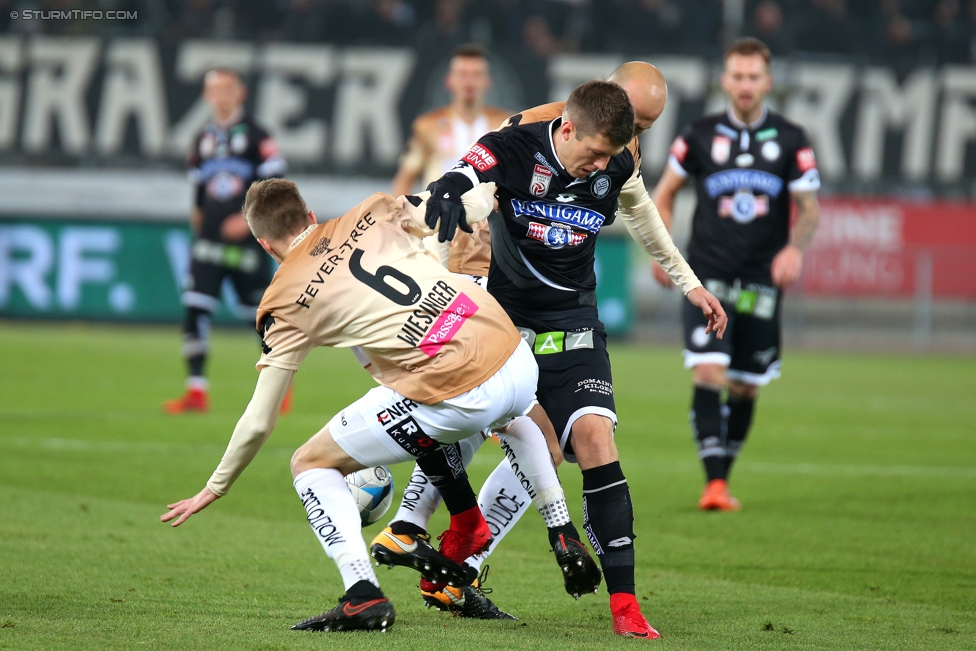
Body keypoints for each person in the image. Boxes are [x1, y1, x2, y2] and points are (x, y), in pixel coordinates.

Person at [161, 178, 599, 633]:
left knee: (310, 462)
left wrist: (215, 487)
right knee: (480, 409)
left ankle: (362, 594)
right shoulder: (373, 211)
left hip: (458, 390)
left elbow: (258, 421)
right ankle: (558, 526)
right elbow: (467, 204)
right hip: (514, 356)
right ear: (311, 216)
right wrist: (491, 187)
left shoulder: (283, 300)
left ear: (263, 243)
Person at [378, 62, 712, 625]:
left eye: (645, 128)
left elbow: (641, 211)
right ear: (585, 113)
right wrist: (449, 226)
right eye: (636, 123)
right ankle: (414, 525)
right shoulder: (525, 133)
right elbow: (472, 183)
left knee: (570, 441)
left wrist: (690, 282)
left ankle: (473, 561)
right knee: (501, 425)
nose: (636, 138)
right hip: (489, 296)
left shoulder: (616, 159)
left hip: (572, 321)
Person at [651, 38, 820, 511]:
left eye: (753, 77)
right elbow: (663, 195)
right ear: (724, 80)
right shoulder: (699, 135)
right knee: (709, 370)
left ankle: (721, 478)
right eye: (737, 76)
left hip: (762, 281)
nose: (745, 85)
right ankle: (715, 484)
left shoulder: (791, 138)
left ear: (767, 82)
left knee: (746, 383)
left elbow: (808, 210)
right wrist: (665, 254)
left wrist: (794, 248)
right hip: (709, 277)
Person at [164, 68, 288, 414]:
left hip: (248, 243)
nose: (220, 96)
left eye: (226, 89)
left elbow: (276, 184)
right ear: (206, 96)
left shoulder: (257, 135)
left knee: (260, 317)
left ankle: (280, 384)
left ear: (240, 93)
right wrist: (198, 214)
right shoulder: (201, 138)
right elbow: (199, 189)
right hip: (208, 243)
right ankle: (196, 391)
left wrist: (248, 219)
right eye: (214, 90)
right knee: (194, 307)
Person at [391, 43, 510, 279]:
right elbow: (405, 177)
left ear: (487, 82)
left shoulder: (504, 124)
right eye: (462, 74)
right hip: (437, 226)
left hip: (485, 235)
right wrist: (399, 223)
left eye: (476, 75)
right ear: (450, 81)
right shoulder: (427, 125)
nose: (469, 82)